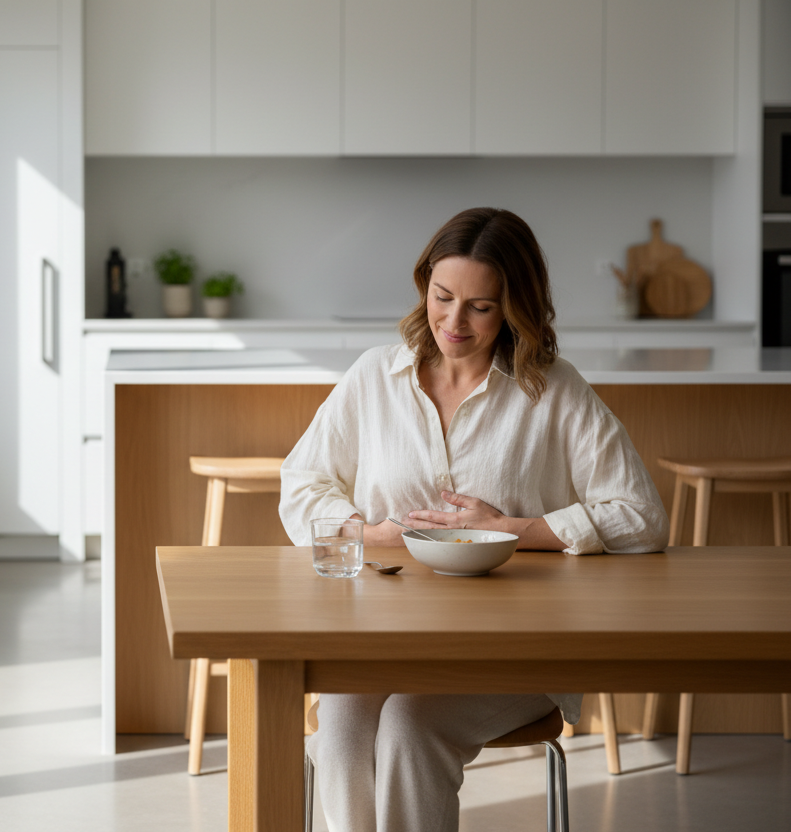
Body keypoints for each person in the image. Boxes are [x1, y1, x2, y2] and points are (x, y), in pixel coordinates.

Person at [278, 207, 669, 832]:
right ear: (424, 286)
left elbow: (642, 516)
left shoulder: (554, 389)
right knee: (344, 729)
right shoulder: (374, 377)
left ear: (516, 307)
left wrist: (514, 529)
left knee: (409, 726)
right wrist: (364, 530)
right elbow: (302, 484)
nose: (454, 323)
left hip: (519, 651)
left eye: (481, 307)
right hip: (382, 640)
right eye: (442, 297)